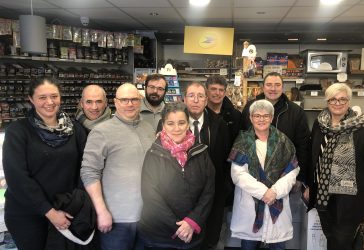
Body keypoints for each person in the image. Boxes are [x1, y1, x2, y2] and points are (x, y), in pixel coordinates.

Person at [3, 78, 88, 250]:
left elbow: (86, 167)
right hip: (28, 214)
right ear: (31, 99)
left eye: (54, 96)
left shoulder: (76, 129)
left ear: (60, 98)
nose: (49, 102)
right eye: (42, 97)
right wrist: (49, 212)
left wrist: (75, 205)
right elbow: (17, 178)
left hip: (66, 210)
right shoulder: (18, 131)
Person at [305, 83, 364, 250]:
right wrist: (309, 186)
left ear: (349, 101)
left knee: (342, 241)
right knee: (330, 237)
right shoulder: (320, 125)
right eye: (333, 99)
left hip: (352, 199)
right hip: (323, 196)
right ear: (327, 101)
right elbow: (314, 158)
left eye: (342, 99)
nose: (338, 102)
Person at [80, 83, 155, 250]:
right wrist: (101, 211)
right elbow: (89, 173)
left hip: (147, 217)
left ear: (140, 100)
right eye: (124, 100)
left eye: (134, 99)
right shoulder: (101, 132)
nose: (129, 104)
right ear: (115, 102)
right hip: (116, 220)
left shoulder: (148, 129)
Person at [138, 102, 215, 250]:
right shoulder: (154, 153)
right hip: (160, 236)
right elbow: (150, 195)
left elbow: (209, 191)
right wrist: (179, 227)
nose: (176, 128)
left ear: (188, 124)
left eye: (181, 123)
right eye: (170, 123)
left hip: (193, 234)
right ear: (163, 126)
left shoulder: (201, 152)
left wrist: (192, 221)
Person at [229, 99, 299, 250]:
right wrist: (263, 192)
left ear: (272, 118)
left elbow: (293, 170)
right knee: (248, 245)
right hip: (250, 205)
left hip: (276, 201)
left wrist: (275, 191)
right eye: (257, 115)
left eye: (266, 116)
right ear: (250, 117)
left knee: (278, 245)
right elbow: (238, 174)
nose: (261, 119)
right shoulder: (242, 141)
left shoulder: (283, 141)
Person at [240, 72, 310, 188]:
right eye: (269, 85)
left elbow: (303, 146)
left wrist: (299, 177)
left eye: (277, 85)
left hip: (285, 175)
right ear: (263, 87)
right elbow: (242, 139)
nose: (273, 89)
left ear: (282, 88)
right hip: (253, 175)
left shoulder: (296, 112)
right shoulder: (250, 108)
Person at [183, 82, 231, 249]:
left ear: (205, 100)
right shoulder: (172, 123)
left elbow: (226, 160)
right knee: (185, 238)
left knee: (210, 239)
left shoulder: (220, 124)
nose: (196, 100)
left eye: (200, 96)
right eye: (191, 96)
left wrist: (224, 189)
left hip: (214, 194)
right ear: (184, 99)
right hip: (183, 195)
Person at [206, 75, 241, 145]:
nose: (217, 93)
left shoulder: (235, 116)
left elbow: (238, 143)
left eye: (221, 90)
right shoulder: (200, 114)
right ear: (206, 91)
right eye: (213, 89)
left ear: (225, 93)